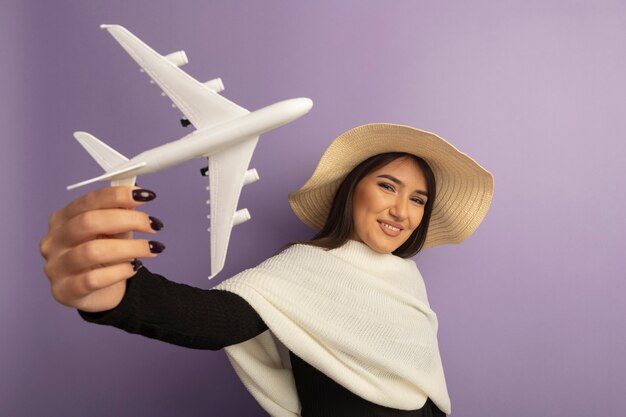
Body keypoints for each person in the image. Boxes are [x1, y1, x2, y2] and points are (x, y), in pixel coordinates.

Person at [40, 123, 494, 416]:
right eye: (388, 187)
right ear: (353, 191)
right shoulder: (306, 269)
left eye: (418, 199)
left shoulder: (408, 281)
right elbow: (216, 318)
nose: (402, 210)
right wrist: (122, 294)